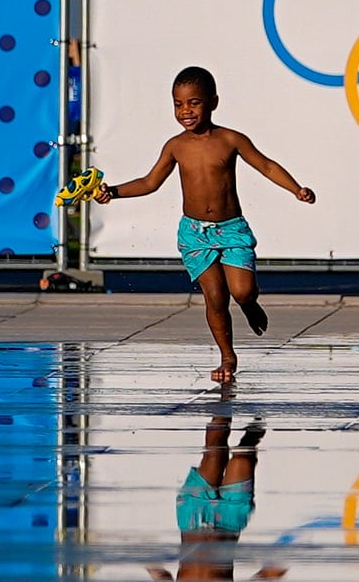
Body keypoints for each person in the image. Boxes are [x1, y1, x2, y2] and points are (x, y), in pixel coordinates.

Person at [94, 66, 315, 382]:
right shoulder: (175, 146)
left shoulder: (230, 140)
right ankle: (227, 357)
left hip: (231, 230)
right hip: (195, 233)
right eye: (178, 104)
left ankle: (249, 304)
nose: (185, 111)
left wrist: (296, 189)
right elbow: (149, 182)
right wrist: (113, 192)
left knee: (242, 291)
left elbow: (266, 165)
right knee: (215, 298)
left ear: (213, 102)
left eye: (194, 103)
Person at [146, 409, 286, 580]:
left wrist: (147, 562)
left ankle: (225, 393)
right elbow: (265, 576)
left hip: (193, 516)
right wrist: (269, 574)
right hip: (230, 520)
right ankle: (251, 438)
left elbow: (163, 576)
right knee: (242, 458)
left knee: (214, 454)